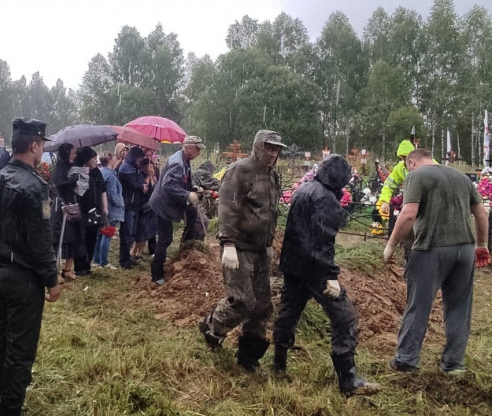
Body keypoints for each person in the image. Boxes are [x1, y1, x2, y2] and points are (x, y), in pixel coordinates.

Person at [272, 154, 381, 396]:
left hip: (293, 265)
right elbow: (322, 239)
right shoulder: (325, 199)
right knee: (345, 317)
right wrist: (330, 275)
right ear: (339, 178)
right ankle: (348, 379)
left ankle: (278, 363)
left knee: (288, 313)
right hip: (315, 269)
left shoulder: (305, 189)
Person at [385, 149, 490, 374]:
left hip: (431, 249)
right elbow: (482, 213)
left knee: (418, 305)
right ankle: (453, 364)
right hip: (465, 250)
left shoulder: (417, 176)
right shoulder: (462, 177)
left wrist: (391, 245)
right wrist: (481, 245)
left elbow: (408, 214)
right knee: (460, 307)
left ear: (411, 162)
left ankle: (406, 360)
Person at [0, 118, 62, 416]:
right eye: (42, 145)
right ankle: (10, 407)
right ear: (33, 145)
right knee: (20, 348)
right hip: (23, 278)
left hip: (0, 271)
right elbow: (41, 241)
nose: (42, 151)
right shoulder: (32, 185)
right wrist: (51, 279)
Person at [198, 130, 284, 371]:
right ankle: (212, 327)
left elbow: (271, 213)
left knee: (263, 305)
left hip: (260, 249)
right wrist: (227, 244)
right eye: (268, 147)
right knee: (243, 300)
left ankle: (249, 356)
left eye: (276, 149)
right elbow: (227, 207)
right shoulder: (240, 171)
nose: (272, 153)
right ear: (258, 146)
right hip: (239, 247)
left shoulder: (274, 176)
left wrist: (269, 244)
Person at [149, 136, 204, 285]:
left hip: (168, 202)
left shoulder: (185, 160)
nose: (199, 152)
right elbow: (168, 185)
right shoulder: (177, 163)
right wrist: (187, 195)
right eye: (197, 149)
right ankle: (157, 274)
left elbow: (181, 181)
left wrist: (192, 188)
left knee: (192, 212)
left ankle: (187, 243)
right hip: (163, 205)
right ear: (189, 147)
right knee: (165, 239)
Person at [74, 146, 107, 276]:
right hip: (82, 211)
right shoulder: (78, 172)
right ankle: (80, 267)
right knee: (81, 238)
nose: (95, 160)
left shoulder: (97, 172)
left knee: (92, 238)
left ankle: (87, 265)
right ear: (86, 159)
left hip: (96, 210)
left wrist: (105, 207)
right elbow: (78, 192)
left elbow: (103, 189)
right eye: (93, 158)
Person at [52, 143, 81, 279]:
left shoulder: (73, 166)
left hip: (73, 204)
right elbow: (59, 183)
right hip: (61, 206)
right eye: (71, 153)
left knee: (74, 237)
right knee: (59, 239)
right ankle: (56, 271)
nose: (73, 156)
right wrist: (71, 181)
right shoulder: (59, 167)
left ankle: (68, 269)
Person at [92, 153, 123, 269]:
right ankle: (103, 262)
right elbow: (113, 194)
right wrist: (120, 204)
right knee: (107, 235)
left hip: (102, 208)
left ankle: (95, 259)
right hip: (111, 209)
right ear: (110, 160)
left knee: (100, 234)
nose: (116, 160)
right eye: (114, 158)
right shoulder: (110, 175)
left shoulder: (101, 172)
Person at [118, 146, 147, 270]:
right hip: (128, 204)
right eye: (140, 158)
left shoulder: (134, 169)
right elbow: (134, 184)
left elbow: (138, 181)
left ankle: (127, 258)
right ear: (135, 157)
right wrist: (142, 187)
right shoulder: (125, 169)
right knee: (127, 232)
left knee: (132, 232)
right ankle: (124, 259)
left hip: (134, 204)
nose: (141, 161)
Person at [133, 158, 157, 259]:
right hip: (144, 206)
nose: (150, 168)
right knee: (141, 230)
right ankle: (133, 251)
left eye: (152, 166)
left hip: (152, 207)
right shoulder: (143, 177)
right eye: (149, 166)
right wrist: (148, 177)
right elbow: (145, 190)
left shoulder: (155, 178)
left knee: (148, 231)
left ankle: (140, 252)